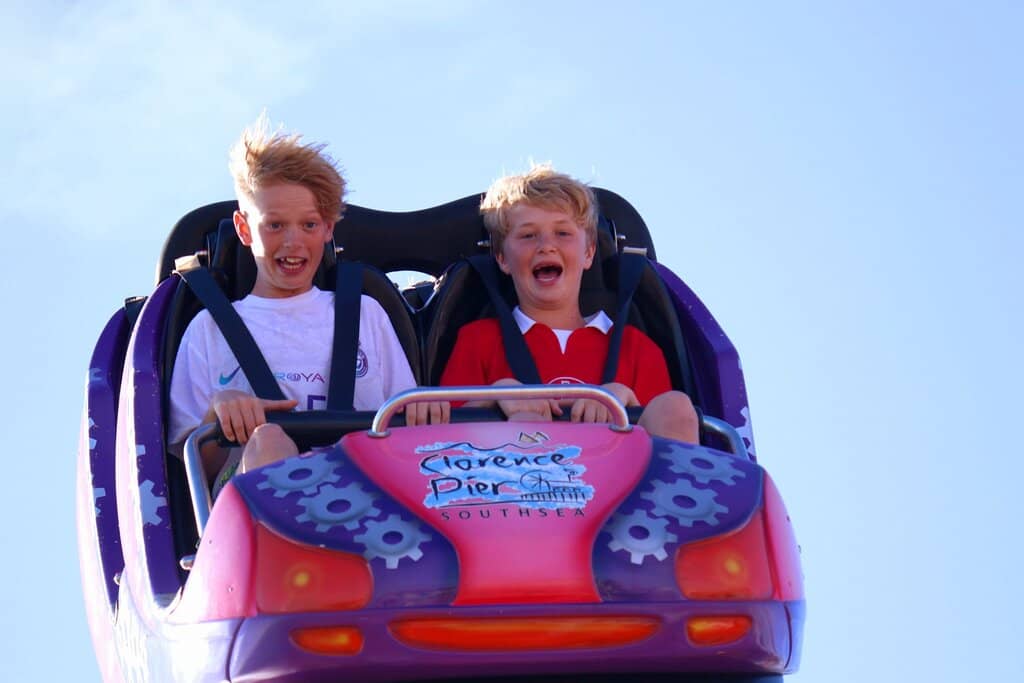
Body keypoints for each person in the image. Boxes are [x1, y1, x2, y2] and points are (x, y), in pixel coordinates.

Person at [167, 115, 442, 495]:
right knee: (269, 442)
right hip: (253, 512)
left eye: (309, 225)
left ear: (329, 228)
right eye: (275, 225)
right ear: (244, 228)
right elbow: (194, 469)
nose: (293, 242)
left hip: (363, 497)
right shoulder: (208, 330)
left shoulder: (366, 314)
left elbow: (405, 424)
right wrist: (220, 413)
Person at [439, 165, 699, 443]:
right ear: (502, 258)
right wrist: (495, 394)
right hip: (516, 480)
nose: (546, 246)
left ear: (588, 253)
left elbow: (670, 423)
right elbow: (439, 435)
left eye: (563, 233)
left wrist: (624, 396)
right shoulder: (479, 339)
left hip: (621, 478)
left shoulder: (637, 348)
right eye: (528, 235)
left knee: (676, 404)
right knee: (527, 422)